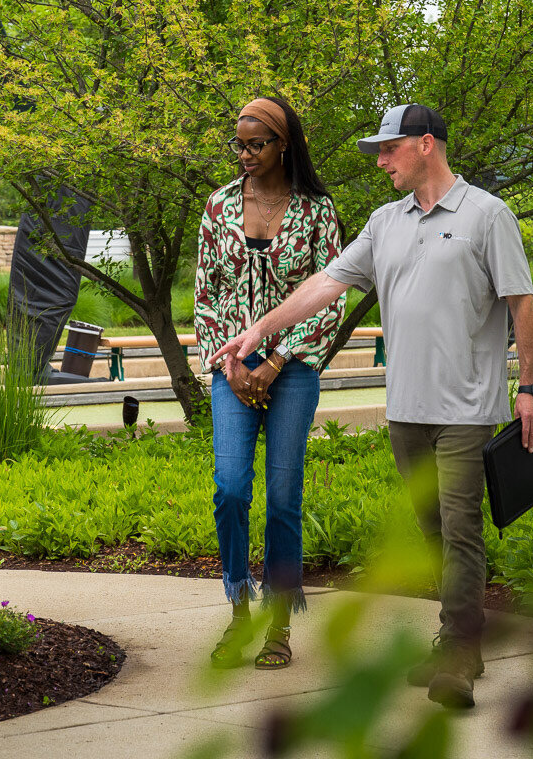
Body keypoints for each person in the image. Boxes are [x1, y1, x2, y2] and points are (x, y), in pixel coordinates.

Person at [212, 103, 533, 710]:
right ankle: (456, 636)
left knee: (462, 527)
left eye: (388, 150)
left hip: (467, 406)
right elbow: (323, 286)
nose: (381, 161)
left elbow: (521, 303)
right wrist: (259, 330)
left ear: (424, 146)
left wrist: (530, 387)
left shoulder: (486, 215)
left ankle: (459, 656)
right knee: (434, 528)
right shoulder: (385, 222)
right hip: (408, 409)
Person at [194, 97, 344, 671]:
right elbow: (204, 295)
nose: (245, 153)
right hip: (230, 368)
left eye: (256, 144)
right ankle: (239, 608)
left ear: (284, 144)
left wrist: (276, 360)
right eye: (239, 143)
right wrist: (232, 365)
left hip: (294, 369)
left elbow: (330, 294)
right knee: (231, 489)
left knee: (283, 498)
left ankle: (279, 624)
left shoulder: (315, 211)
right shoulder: (219, 206)